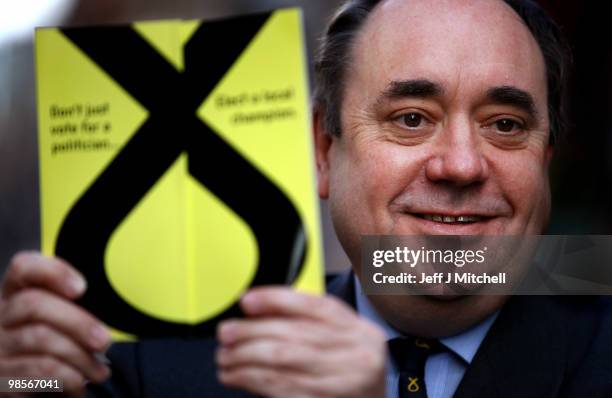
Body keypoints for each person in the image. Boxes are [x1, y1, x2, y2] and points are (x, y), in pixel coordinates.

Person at [1, 0, 611, 397]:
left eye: (505, 124)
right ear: (324, 150)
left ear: (546, 157)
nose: (461, 163)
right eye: (410, 118)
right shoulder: (159, 360)